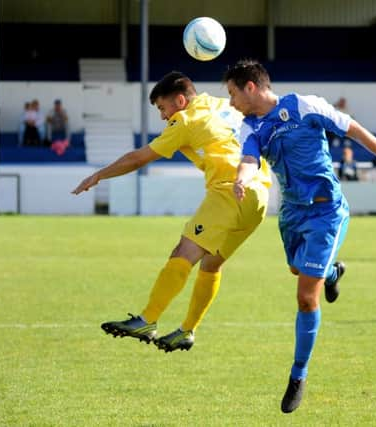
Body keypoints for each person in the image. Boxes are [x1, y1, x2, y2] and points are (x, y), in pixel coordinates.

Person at [223, 59, 376, 414]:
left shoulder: (304, 105)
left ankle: (298, 375)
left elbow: (354, 130)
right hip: (292, 216)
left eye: (233, 93)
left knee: (304, 296)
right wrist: (243, 177)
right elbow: (250, 160)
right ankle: (333, 272)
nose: (232, 102)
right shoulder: (249, 127)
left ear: (250, 87)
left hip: (326, 213)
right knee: (300, 271)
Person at [72, 71, 271, 352]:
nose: (164, 117)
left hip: (229, 191)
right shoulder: (223, 104)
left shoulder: (185, 120)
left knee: (183, 253)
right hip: (260, 193)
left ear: (180, 100)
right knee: (212, 264)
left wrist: (100, 175)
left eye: (163, 108)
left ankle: (147, 319)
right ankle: (187, 331)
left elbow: (139, 157)